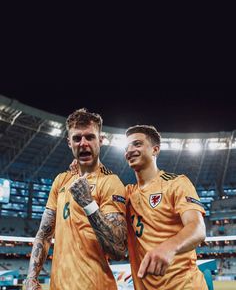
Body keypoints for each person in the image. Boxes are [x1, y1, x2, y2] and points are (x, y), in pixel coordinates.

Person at [25, 108, 127, 290]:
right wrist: (32, 276)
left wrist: (88, 203)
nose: (83, 143)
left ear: (101, 140)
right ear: (69, 143)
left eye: (90, 137)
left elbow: (118, 250)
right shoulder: (61, 180)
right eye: (77, 138)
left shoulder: (111, 182)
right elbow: (44, 234)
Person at [125, 124, 207, 290]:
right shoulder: (126, 194)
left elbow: (197, 228)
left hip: (185, 286)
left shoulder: (176, 183)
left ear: (155, 150)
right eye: (127, 146)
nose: (130, 150)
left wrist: (168, 247)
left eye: (137, 144)